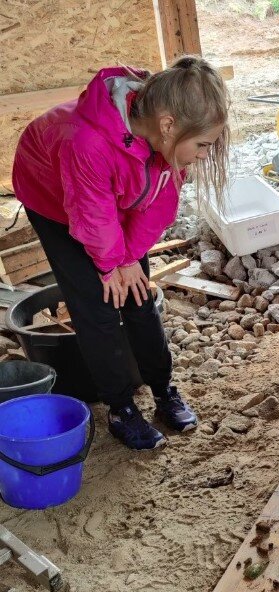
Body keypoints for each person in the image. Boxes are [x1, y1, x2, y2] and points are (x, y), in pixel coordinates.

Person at [12, 57, 230, 450]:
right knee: (97, 305)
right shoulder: (87, 142)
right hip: (54, 198)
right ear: (168, 125)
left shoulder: (169, 140)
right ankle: (120, 409)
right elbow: (91, 214)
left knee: (138, 293)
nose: (202, 155)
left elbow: (159, 205)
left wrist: (129, 259)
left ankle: (163, 389)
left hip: (113, 191)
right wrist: (110, 264)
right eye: (202, 145)